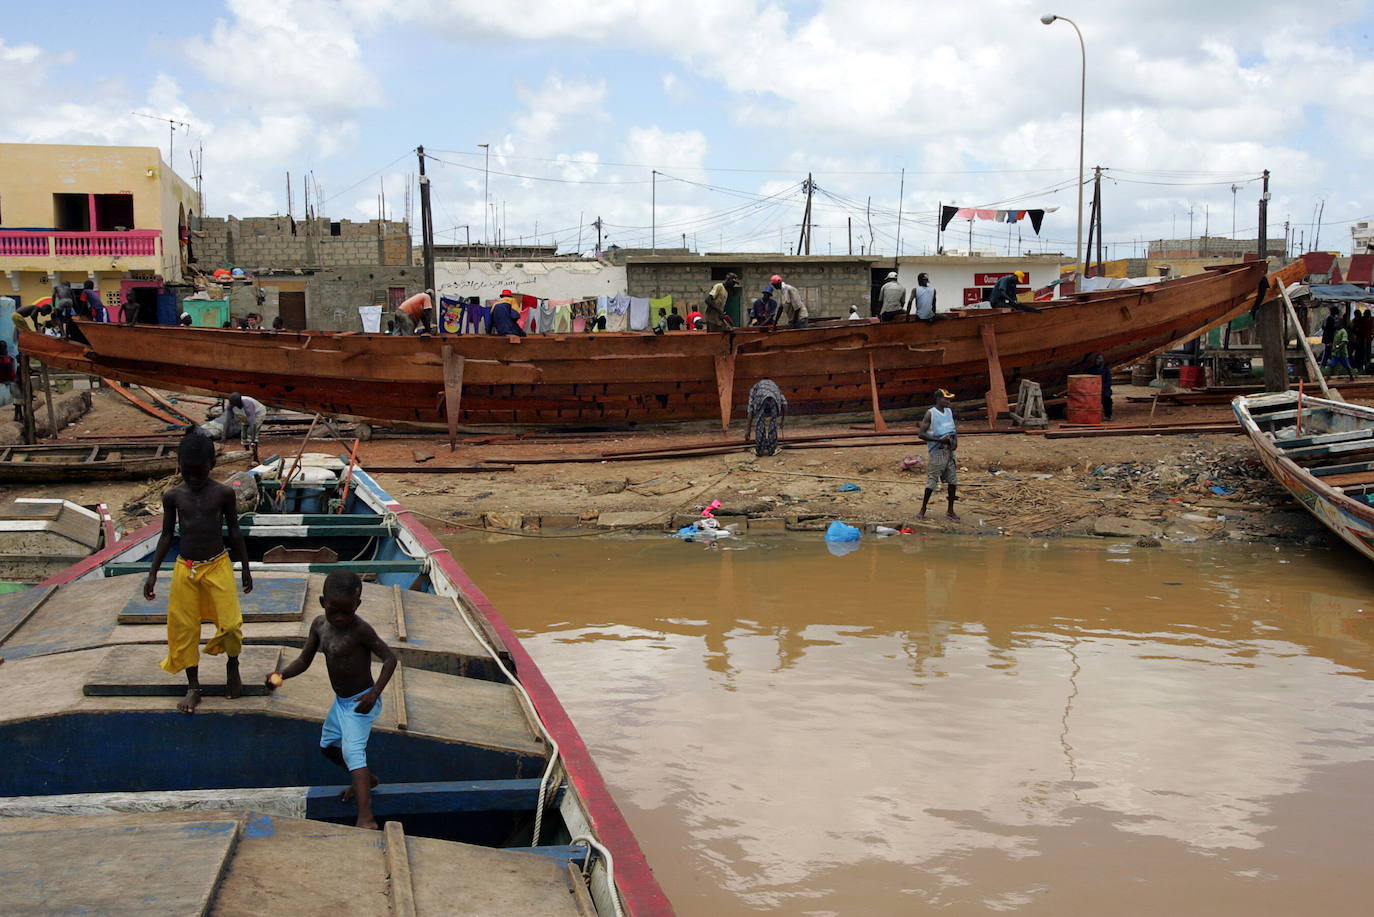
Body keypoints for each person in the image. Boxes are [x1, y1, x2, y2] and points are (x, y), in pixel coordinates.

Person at [265, 570, 396, 830]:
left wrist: (375, 693)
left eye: (347, 612)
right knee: (327, 747)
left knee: (352, 752)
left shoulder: (361, 630)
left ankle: (366, 818)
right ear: (323, 602)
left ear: (357, 606)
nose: (340, 618)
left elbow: (390, 659)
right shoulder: (319, 626)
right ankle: (366, 780)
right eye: (334, 610)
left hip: (361, 702)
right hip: (342, 703)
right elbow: (304, 660)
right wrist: (281, 675)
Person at [142, 430, 253, 714]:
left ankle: (232, 665)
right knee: (184, 630)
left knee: (230, 624)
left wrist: (245, 569)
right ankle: (193, 687)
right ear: (179, 466)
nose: (193, 479)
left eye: (199, 473)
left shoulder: (223, 493)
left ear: (211, 465)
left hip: (218, 565)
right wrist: (153, 573)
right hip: (186, 569)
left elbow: (235, 531)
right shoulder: (173, 496)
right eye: (187, 473)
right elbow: (166, 536)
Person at [917, 389, 959, 521]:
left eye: (949, 399)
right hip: (937, 451)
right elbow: (921, 434)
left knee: (952, 481)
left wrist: (955, 442)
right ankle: (922, 510)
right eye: (946, 399)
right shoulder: (931, 413)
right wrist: (938, 440)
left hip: (949, 451)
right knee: (932, 482)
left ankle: (950, 510)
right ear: (939, 399)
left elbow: (953, 430)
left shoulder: (949, 412)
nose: (948, 402)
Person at [228, 392, 266, 463]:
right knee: (244, 435)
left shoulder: (248, 404)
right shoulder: (231, 404)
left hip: (258, 413)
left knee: (251, 434)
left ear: (240, 402)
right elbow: (228, 419)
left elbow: (253, 424)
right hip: (246, 413)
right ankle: (247, 454)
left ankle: (255, 458)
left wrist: (253, 439)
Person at [1093, 353, 1114, 421]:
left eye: (1099, 359)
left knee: (1107, 398)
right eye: (1097, 359)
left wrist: (1102, 388)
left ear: (1103, 360)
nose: (1097, 360)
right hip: (1093, 388)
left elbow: (1109, 381)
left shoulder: (1106, 370)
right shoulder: (1092, 370)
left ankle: (1108, 415)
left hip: (1104, 388)